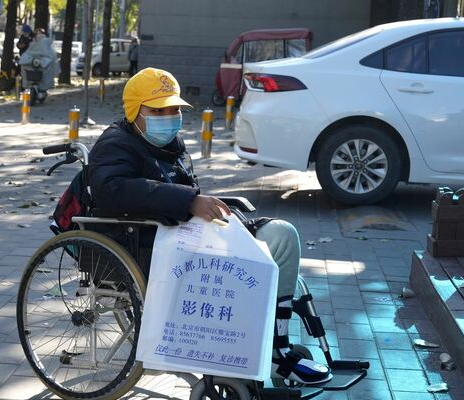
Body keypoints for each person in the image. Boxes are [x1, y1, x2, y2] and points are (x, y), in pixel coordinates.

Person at [86, 68, 333, 385]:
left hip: (190, 234)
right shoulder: (115, 145)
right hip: (150, 244)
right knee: (255, 258)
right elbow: (112, 190)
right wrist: (188, 201)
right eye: (158, 110)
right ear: (135, 111)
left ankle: (275, 342)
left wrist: (207, 208)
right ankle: (266, 353)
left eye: (174, 109)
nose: (170, 116)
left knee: (282, 236)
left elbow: (187, 193)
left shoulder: (170, 142)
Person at [19, 28, 57, 96]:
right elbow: (28, 49)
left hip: (42, 59)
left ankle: (43, 89)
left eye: (39, 33)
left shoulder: (45, 41)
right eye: (37, 33)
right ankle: (27, 86)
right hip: (33, 59)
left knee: (46, 69)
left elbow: (48, 52)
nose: (38, 35)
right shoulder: (32, 41)